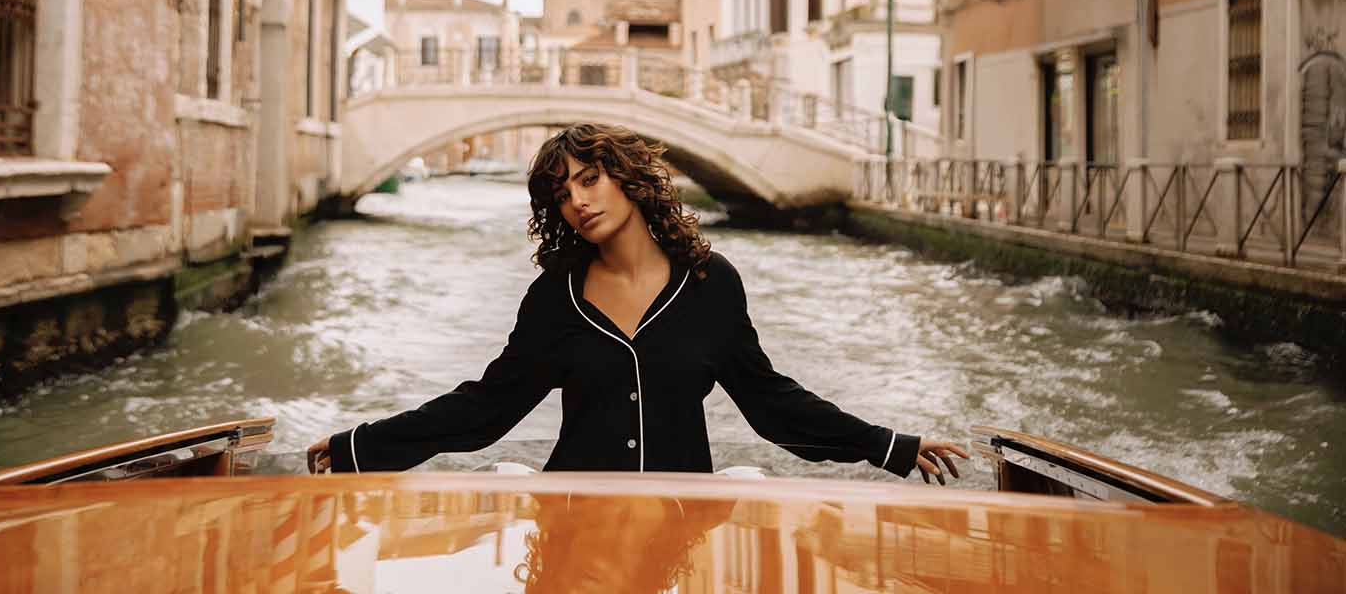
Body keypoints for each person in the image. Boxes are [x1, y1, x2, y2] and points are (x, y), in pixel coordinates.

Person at [308, 123, 967, 483]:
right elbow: (484, 410)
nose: (580, 201)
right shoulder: (555, 298)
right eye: (564, 194)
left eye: (590, 180)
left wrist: (891, 446)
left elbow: (771, 405)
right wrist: (360, 448)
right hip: (575, 517)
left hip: (682, 523)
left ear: (627, 179)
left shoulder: (711, 283)